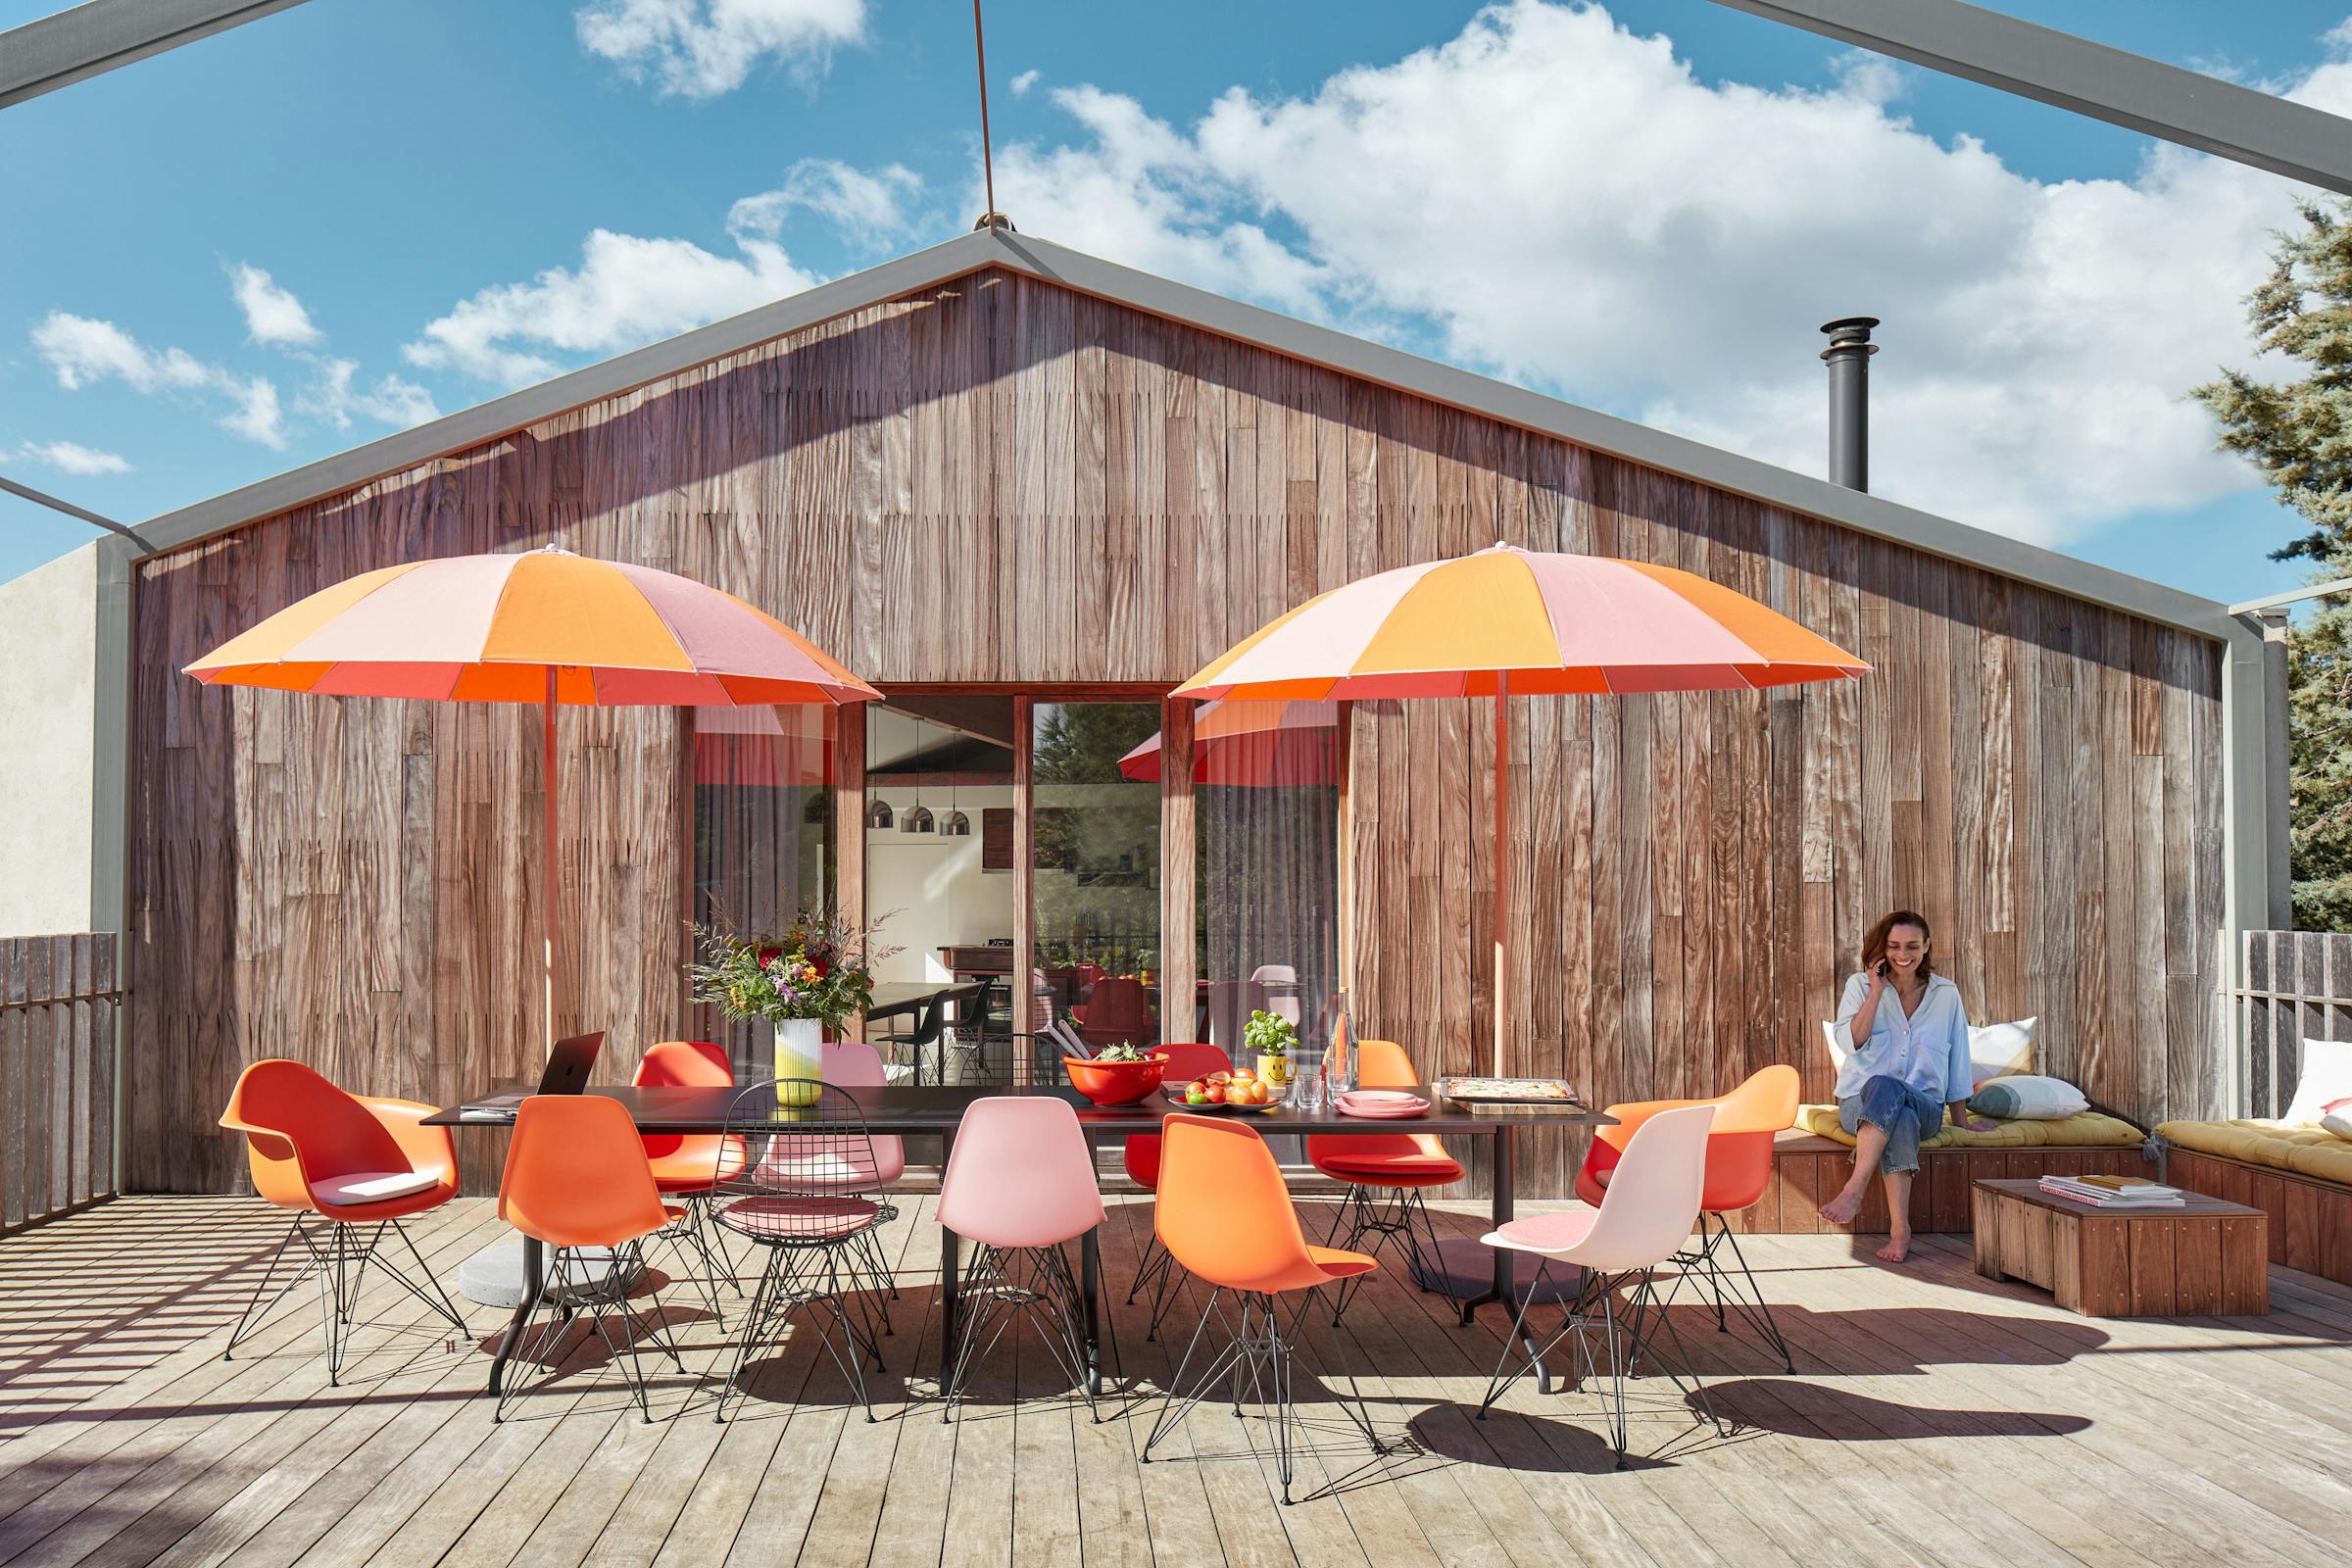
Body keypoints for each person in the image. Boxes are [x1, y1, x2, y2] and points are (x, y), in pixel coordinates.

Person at [1818, 909, 1993, 1261]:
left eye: (1912, 945)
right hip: (1860, 1105)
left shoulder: (1946, 994)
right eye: (1894, 946)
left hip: (1925, 1104)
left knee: (1900, 1099)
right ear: (1883, 947)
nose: (1903, 954)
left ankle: (1855, 1187)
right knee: (1898, 1114)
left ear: (1926, 946)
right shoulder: (1860, 986)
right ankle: (1901, 1231)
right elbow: (1849, 1044)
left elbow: (1957, 1056)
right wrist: (1875, 993)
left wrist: (1961, 1122)